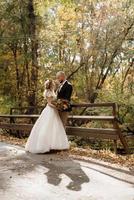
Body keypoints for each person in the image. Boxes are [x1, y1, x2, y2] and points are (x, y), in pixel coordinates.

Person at [25, 79, 69, 153]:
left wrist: (58, 105)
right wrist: (57, 107)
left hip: (54, 110)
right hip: (50, 110)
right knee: (47, 126)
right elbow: (49, 103)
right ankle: (45, 145)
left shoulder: (52, 91)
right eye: (53, 84)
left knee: (55, 127)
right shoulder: (48, 92)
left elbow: (54, 101)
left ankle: (54, 146)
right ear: (50, 85)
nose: (54, 85)